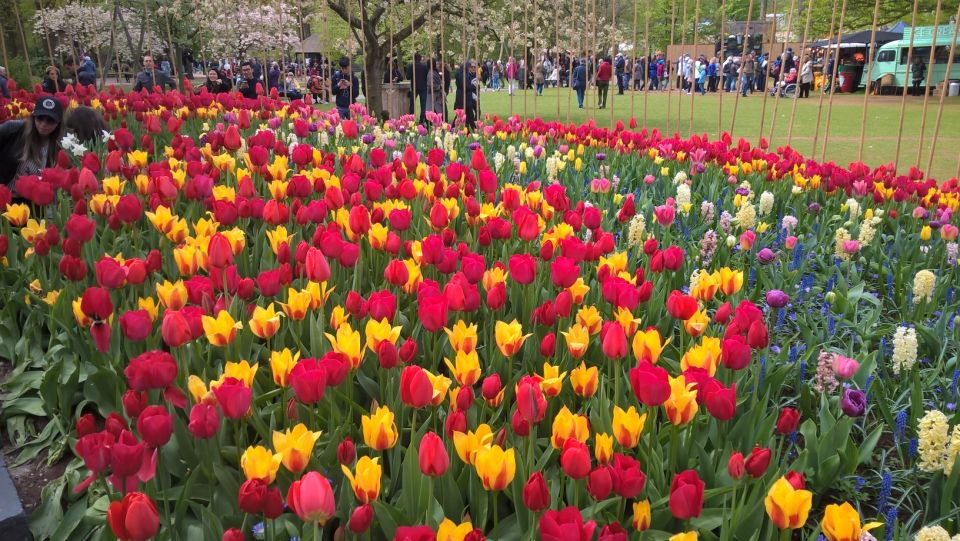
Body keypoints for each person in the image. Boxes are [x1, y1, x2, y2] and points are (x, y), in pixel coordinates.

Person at [0, 97, 64, 187]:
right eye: (40, 118)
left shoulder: (62, 144)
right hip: (5, 193)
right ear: (33, 117)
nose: (43, 124)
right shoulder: (12, 129)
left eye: (50, 120)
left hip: (34, 198)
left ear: (58, 123)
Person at [454, 60, 479, 130]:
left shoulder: (463, 74)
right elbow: (465, 86)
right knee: (462, 115)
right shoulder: (461, 75)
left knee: (469, 115)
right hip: (462, 97)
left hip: (465, 96)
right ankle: (454, 128)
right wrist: (474, 86)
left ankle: (471, 129)